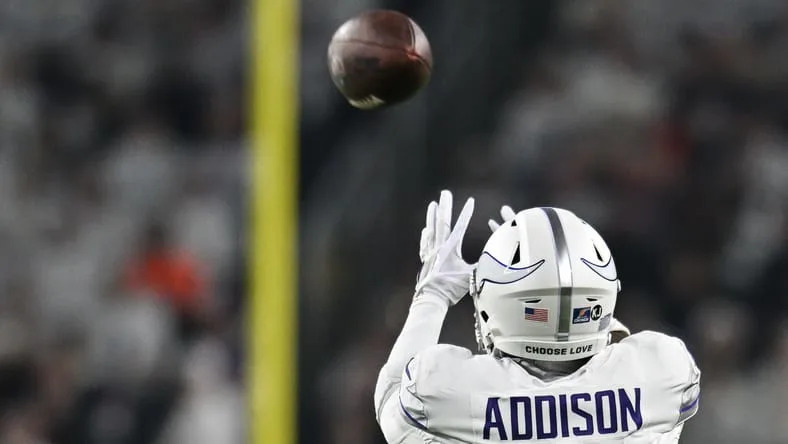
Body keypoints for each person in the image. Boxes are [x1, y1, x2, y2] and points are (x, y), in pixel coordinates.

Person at [374, 190, 700, 443]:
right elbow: (612, 355)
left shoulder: (452, 391)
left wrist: (433, 296)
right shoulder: (663, 370)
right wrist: (562, 292)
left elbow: (391, 402)